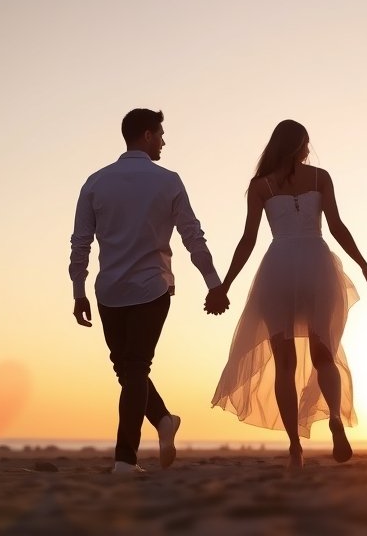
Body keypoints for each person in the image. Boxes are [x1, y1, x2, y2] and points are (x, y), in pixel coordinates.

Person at [208, 119, 367, 470]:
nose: (307, 149)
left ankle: (293, 447)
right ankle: (333, 416)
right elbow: (336, 226)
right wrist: (364, 265)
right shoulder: (320, 177)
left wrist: (224, 285)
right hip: (317, 266)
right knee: (324, 354)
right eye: (305, 143)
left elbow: (248, 240)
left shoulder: (261, 186)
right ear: (298, 144)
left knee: (284, 364)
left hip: (279, 270)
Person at [69, 108, 227, 474]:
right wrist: (213, 283)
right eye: (160, 134)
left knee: (134, 367)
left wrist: (78, 289)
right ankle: (163, 421)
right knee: (128, 369)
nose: (163, 141)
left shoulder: (95, 182)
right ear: (145, 136)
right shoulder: (168, 181)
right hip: (150, 286)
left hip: (112, 289)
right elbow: (193, 236)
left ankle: (125, 458)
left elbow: (80, 243)